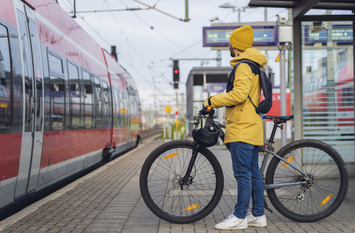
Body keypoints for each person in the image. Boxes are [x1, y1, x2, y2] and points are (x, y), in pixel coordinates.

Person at [203, 25, 267, 230]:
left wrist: (212, 100)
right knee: (252, 172)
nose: (228, 47)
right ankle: (258, 215)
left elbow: (238, 95)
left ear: (235, 46)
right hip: (251, 124)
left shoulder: (243, 66)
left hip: (242, 126)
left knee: (242, 174)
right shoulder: (253, 65)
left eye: (230, 43)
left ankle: (239, 216)